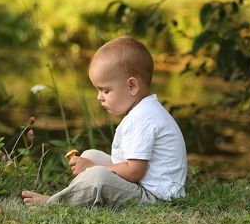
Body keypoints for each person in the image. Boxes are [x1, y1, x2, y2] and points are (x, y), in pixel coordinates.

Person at [21, 36, 186, 207]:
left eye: (105, 90)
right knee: (90, 155)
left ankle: (54, 203)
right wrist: (91, 164)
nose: (99, 97)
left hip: (155, 198)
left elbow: (135, 171)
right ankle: (77, 196)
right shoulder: (143, 110)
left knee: (97, 176)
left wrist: (91, 169)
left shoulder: (143, 119)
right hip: (142, 185)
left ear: (132, 86)